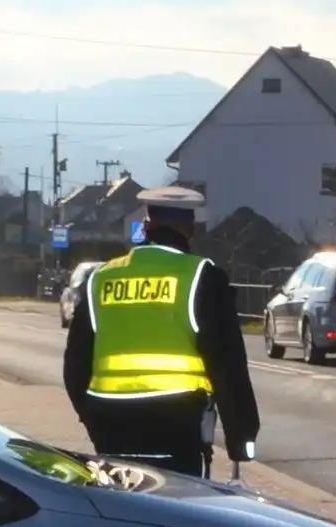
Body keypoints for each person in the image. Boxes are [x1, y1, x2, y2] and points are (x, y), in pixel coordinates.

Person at [62, 186, 259, 477]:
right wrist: (240, 439)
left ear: (146, 225)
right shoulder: (202, 276)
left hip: (111, 428)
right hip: (178, 427)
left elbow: (75, 365)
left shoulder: (102, 277)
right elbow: (227, 364)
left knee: (121, 507)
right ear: (190, 228)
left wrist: (91, 417)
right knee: (175, 510)